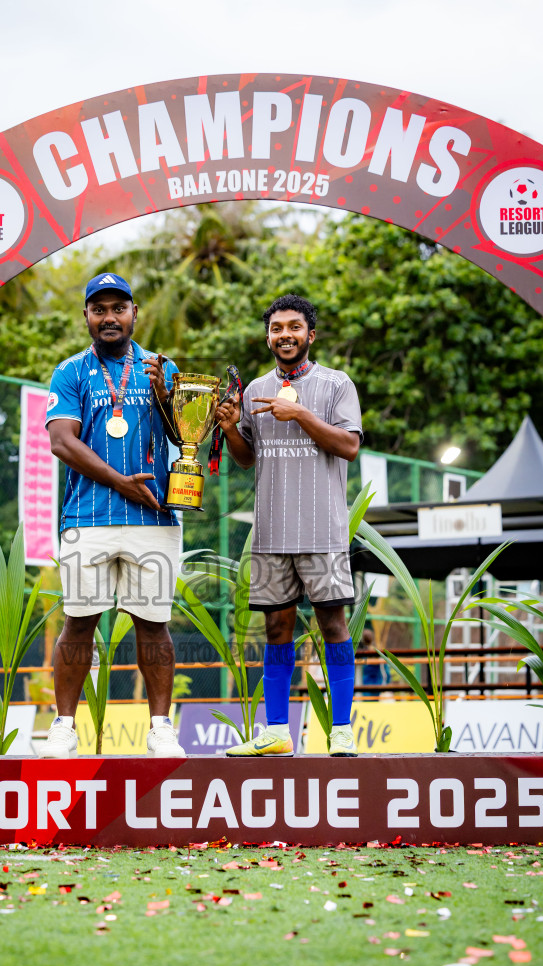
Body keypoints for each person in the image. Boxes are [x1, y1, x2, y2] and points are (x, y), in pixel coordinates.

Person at [40, 272, 185, 758]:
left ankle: (161, 728)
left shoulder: (161, 367)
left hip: (154, 519)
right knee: (79, 622)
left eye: (118, 308)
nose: (109, 318)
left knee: (153, 624)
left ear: (134, 313)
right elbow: (62, 441)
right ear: (86, 315)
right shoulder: (70, 371)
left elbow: (186, 435)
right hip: (88, 518)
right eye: (99, 309)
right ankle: (64, 727)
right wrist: (120, 481)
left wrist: (168, 397)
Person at [215, 294, 362, 756]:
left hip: (323, 532)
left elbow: (349, 446)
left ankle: (342, 729)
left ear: (310, 335)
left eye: (294, 327)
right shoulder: (255, 388)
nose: (285, 335)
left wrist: (299, 413)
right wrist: (230, 428)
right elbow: (246, 459)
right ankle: (278, 731)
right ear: (268, 338)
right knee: (277, 630)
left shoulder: (336, 384)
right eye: (276, 328)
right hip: (271, 534)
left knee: (333, 626)